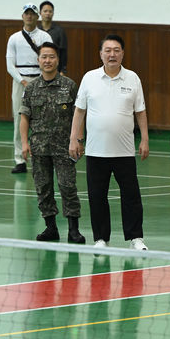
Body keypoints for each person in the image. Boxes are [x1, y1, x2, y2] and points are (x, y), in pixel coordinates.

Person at [68, 34, 149, 250]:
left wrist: (145, 139)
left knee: (131, 196)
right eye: (108, 50)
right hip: (96, 151)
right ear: (100, 54)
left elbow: (140, 111)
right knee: (97, 196)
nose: (112, 54)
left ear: (122, 53)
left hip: (124, 151)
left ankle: (136, 238)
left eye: (116, 50)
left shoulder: (133, 78)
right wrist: (74, 139)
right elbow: (79, 111)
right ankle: (101, 239)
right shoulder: (89, 78)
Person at [20, 42, 85, 244]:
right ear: (38, 61)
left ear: (58, 60)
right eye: (44, 57)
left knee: (68, 187)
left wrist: (79, 140)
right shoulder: (31, 88)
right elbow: (24, 117)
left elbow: (79, 115)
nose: (47, 61)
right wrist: (24, 143)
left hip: (65, 147)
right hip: (39, 148)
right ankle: (51, 228)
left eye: (51, 57)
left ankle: (73, 230)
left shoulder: (70, 86)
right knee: (43, 188)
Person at [6, 2, 53, 174]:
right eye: (27, 13)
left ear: (37, 16)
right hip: (20, 81)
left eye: (32, 13)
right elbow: (9, 65)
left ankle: (42, 157)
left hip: (41, 79)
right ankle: (19, 159)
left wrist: (43, 79)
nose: (29, 16)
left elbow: (51, 60)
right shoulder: (14, 38)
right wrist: (22, 81)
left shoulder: (45, 37)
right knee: (20, 119)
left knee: (43, 119)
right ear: (22, 16)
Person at [39, 0, 68, 76]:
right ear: (40, 13)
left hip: (55, 70)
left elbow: (63, 52)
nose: (47, 14)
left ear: (53, 13)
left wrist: (63, 70)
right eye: (45, 11)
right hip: (38, 70)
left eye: (50, 11)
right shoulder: (36, 30)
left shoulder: (59, 31)